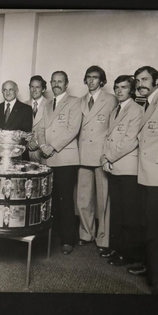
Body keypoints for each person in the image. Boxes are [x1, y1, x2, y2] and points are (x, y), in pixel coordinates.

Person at [129, 66, 158, 282]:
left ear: (156, 80)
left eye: (145, 79)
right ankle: (150, 266)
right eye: (138, 80)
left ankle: (156, 274)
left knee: (155, 224)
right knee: (148, 221)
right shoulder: (148, 103)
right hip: (147, 173)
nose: (140, 84)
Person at [36, 71, 81, 255]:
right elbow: (40, 128)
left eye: (60, 81)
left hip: (65, 159)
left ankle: (67, 240)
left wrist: (52, 146)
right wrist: (42, 145)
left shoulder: (74, 102)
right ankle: (52, 236)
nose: (56, 84)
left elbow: (72, 129)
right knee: (50, 199)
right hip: (47, 158)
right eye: (53, 81)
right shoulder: (46, 104)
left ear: (66, 84)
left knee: (65, 200)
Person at [101, 75, 143, 266]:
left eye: (124, 87)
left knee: (128, 214)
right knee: (117, 212)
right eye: (117, 87)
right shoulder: (115, 110)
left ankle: (127, 254)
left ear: (131, 90)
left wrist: (109, 157)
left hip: (128, 168)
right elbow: (108, 138)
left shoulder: (136, 110)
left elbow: (130, 141)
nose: (119, 91)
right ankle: (117, 248)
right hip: (114, 166)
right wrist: (105, 158)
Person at [76, 66, 117, 252]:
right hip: (83, 154)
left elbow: (114, 128)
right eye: (88, 77)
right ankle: (86, 233)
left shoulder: (111, 100)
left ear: (102, 81)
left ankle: (104, 238)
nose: (91, 81)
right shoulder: (80, 101)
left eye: (95, 78)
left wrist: (108, 155)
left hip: (101, 155)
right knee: (83, 198)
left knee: (103, 199)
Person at [25, 75, 47, 162]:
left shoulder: (50, 104)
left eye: (37, 87)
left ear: (43, 89)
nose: (34, 90)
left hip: (43, 151)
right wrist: (28, 143)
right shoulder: (23, 105)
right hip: (26, 151)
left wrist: (37, 143)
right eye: (32, 87)